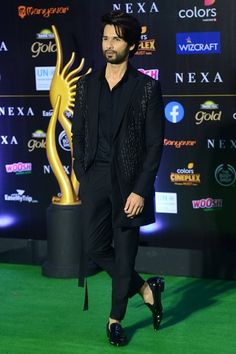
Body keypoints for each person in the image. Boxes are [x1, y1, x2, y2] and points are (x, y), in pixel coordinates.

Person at [71, 10, 165, 346]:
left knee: (124, 255)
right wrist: (81, 172)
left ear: (132, 45)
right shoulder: (86, 85)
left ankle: (115, 320)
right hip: (95, 178)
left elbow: (155, 145)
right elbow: (78, 134)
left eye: (116, 39)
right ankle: (145, 288)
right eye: (105, 38)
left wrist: (141, 190)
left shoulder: (146, 89)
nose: (108, 45)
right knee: (95, 247)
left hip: (128, 184)